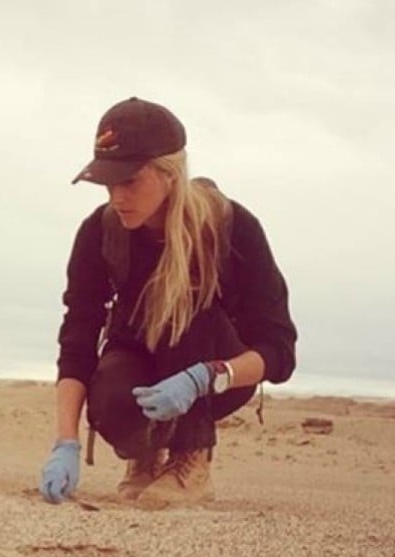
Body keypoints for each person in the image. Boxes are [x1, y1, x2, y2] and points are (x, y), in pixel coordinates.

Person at [38, 96, 297, 506]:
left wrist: (207, 377)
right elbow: (78, 340)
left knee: (188, 306)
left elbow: (280, 353)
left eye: (130, 181)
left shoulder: (233, 227)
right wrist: (65, 442)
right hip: (139, 360)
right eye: (109, 183)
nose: (117, 197)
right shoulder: (100, 232)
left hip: (217, 370)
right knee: (109, 399)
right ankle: (144, 457)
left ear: (170, 173)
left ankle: (190, 460)